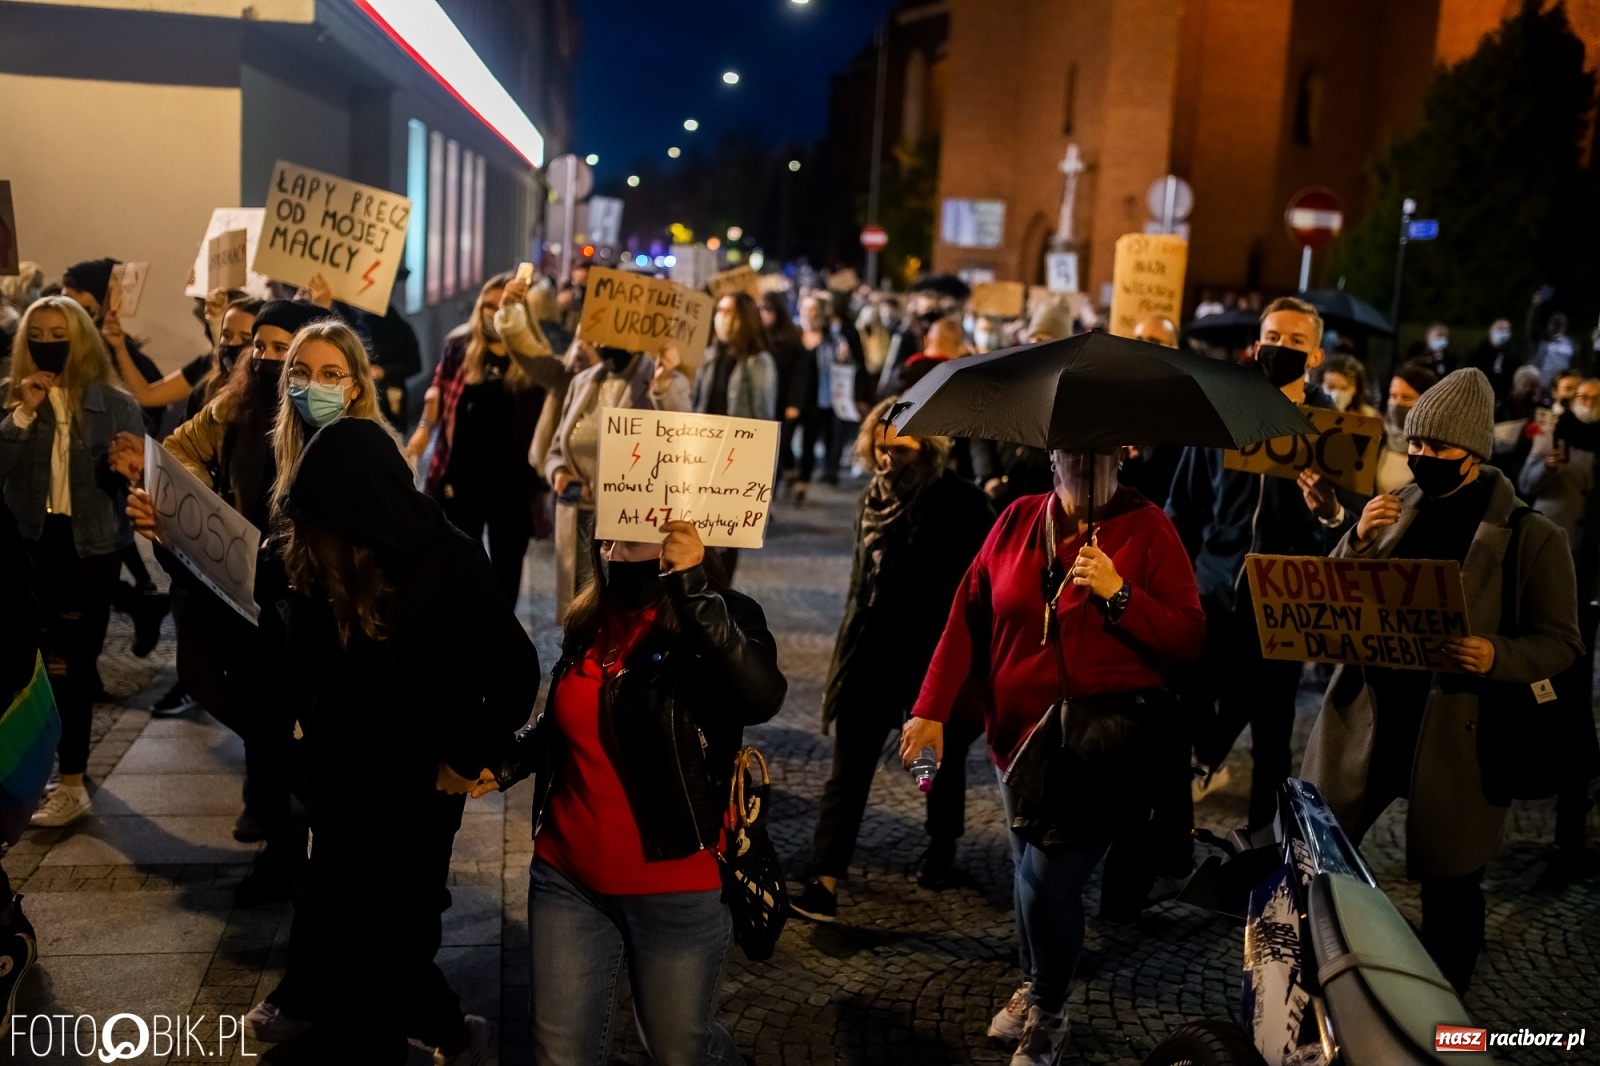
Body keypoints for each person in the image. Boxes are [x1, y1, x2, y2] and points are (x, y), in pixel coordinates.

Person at [901, 446, 1204, 1065]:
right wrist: (930, 708)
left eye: (1102, 449)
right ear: (1052, 457)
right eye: (1074, 449)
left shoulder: (1148, 526)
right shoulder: (1016, 519)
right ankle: (1037, 984)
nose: (1088, 462)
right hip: (1016, 742)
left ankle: (1050, 1009)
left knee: (1045, 887)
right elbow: (967, 613)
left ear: (1122, 456)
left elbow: (1190, 635)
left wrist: (1120, 594)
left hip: (1097, 751)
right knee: (1025, 882)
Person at [260, 417, 540, 1063]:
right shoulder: (307, 554)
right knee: (344, 923)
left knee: (398, 933)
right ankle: (447, 1030)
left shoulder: (449, 557)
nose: (305, 534)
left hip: (416, 786)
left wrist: (465, 756)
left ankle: (440, 1031)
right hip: (337, 779)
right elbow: (297, 668)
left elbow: (513, 669)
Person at [1303, 368, 1583, 992]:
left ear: (1473, 453)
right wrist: (1357, 540)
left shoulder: (1532, 538)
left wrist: (1496, 655)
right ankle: (1332, 981)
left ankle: (1442, 1007)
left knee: (1451, 887)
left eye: (1437, 448)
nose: (1422, 457)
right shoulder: (1396, 507)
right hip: (1370, 718)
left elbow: (1562, 642)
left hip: (1458, 733)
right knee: (1324, 857)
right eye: (1416, 445)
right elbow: (1335, 596)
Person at [477, 520, 786, 1066]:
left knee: (680, 1050)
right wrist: (512, 759)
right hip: (566, 878)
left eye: (631, 539)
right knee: (559, 1054)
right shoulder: (591, 616)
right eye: (606, 538)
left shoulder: (725, 616)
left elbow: (761, 696)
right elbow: (573, 717)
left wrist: (693, 590)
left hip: (676, 886)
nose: (612, 552)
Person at [114, 301, 346, 904]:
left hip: (315, 603)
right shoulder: (233, 408)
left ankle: (328, 836)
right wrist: (170, 505)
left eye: (281, 349)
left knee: (307, 728)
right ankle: (281, 842)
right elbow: (178, 453)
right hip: (247, 595)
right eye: (259, 348)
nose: (267, 358)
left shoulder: (336, 425)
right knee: (262, 728)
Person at [793, 403, 995, 920]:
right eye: (879, 447)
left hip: (930, 656)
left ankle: (940, 840)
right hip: (872, 651)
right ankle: (825, 879)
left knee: (932, 765)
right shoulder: (873, 499)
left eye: (899, 450)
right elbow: (863, 583)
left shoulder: (961, 503)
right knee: (850, 765)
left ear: (927, 449)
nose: (885, 459)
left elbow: (982, 588)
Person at [1166, 295, 1354, 827]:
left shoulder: (1331, 430)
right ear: (1256, 346)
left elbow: (1350, 530)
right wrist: (1179, 579)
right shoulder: (1225, 411)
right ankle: (1168, 842)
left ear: (1315, 355)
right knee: (1180, 717)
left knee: (1272, 735)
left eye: (1295, 342)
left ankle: (1263, 857)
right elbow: (1184, 503)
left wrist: (1332, 511)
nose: (1281, 349)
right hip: (1213, 590)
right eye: (1273, 338)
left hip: (1282, 602)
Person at [0, 296, 144, 827]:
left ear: (78, 338)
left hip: (89, 547)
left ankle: (71, 782)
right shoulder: (13, 400)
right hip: (29, 542)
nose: (47, 341)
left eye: (59, 332)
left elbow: (138, 475)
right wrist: (22, 412)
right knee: (28, 665)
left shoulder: (114, 403)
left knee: (70, 665)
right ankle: (28, 774)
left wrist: (129, 467)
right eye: (36, 333)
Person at [408, 273, 554, 604]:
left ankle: (500, 632)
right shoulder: (459, 346)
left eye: (504, 305)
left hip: (514, 479)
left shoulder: (535, 356)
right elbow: (438, 390)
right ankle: (462, 627)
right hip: (462, 473)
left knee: (508, 562)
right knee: (459, 554)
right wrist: (422, 429)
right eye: (488, 305)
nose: (493, 312)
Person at [544, 343, 689, 619]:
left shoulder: (664, 379)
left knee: (618, 611)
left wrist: (662, 386)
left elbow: (681, 434)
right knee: (579, 610)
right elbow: (554, 451)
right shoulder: (582, 382)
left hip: (628, 527)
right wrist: (559, 472)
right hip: (578, 517)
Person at [1518, 376, 1600, 867]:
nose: (1586, 407)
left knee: (1577, 694)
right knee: (1553, 687)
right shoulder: (1556, 436)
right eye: (1581, 399)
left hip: (1591, 579)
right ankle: (1550, 782)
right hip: (1556, 569)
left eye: (1595, 400)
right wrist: (1544, 468)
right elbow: (1525, 485)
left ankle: (1572, 811)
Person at [691, 292, 778, 421]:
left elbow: (763, 414)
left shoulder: (758, 361)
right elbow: (697, 402)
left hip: (738, 438)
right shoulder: (711, 356)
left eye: (728, 311)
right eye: (719, 310)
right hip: (707, 435)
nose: (721, 317)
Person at [762, 291, 808, 491]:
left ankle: (776, 484)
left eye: (769, 311)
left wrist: (794, 403)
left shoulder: (791, 339)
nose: (765, 315)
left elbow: (800, 374)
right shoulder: (759, 338)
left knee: (779, 446)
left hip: (783, 400)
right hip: (765, 400)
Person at [1377, 364, 1438, 494]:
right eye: (1393, 396)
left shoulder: (1436, 450)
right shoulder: (1377, 438)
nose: (1397, 403)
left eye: (1406, 397)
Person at [1465, 318, 1519, 402]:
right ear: (1491, 330)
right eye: (1500, 329)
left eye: (1506, 330)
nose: (1503, 333)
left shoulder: (1513, 355)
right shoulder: (1478, 353)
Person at [1534, 312, 1578, 387]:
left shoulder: (1570, 344)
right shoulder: (1545, 343)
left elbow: (1574, 365)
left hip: (1560, 384)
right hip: (1548, 384)